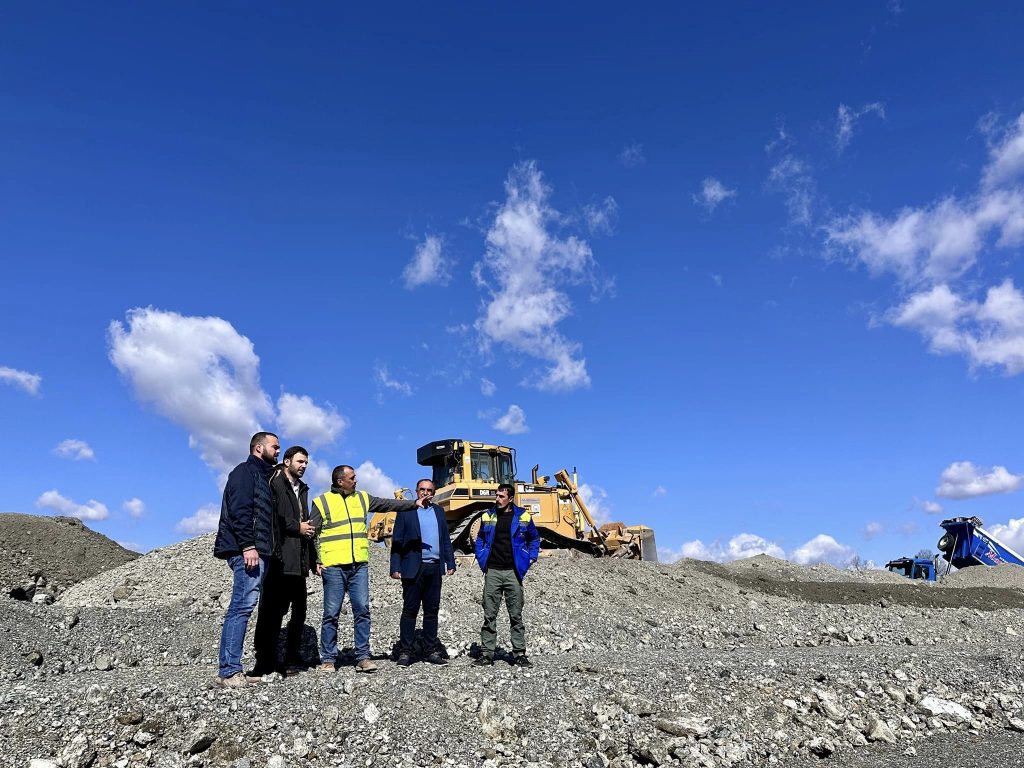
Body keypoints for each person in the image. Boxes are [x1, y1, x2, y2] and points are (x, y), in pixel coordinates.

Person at [311, 464, 424, 673]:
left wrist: (413, 504)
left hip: (359, 566)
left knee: (362, 610)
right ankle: (328, 659)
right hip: (333, 566)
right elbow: (312, 533)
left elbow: (386, 504)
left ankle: (363, 657)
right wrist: (315, 560)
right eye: (352, 478)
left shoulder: (362, 497)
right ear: (340, 481)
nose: (356, 480)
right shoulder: (322, 502)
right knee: (331, 613)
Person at [213, 431, 280, 687]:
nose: (278, 451)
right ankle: (230, 671)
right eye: (274, 447)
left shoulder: (263, 477)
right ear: (258, 448)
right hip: (248, 551)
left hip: (259, 550)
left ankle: (231, 669)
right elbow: (240, 511)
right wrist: (248, 545)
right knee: (241, 606)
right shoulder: (244, 472)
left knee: (244, 605)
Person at [251, 445, 315, 677]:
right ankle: (265, 661)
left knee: (299, 612)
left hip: (298, 560)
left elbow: (305, 525)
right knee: (271, 612)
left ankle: (291, 658)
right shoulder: (274, 482)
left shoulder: (302, 489)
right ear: (287, 462)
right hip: (278, 558)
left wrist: (313, 559)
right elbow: (272, 517)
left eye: (306, 463)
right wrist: (297, 527)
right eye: (300, 461)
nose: (303, 466)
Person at [389, 479, 457, 666]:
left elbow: (445, 539)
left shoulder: (439, 512)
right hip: (413, 568)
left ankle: (431, 650)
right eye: (422, 489)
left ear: (433, 493)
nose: (425, 493)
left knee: (431, 611)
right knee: (410, 611)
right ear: (417, 491)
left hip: (434, 568)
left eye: (429, 490)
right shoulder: (406, 511)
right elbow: (397, 540)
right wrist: (395, 567)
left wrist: (450, 562)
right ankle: (405, 652)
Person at [473, 483, 540, 667]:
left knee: (516, 615)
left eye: (501, 496)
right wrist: (480, 556)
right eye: (496, 495)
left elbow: (534, 538)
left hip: (513, 572)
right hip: (493, 571)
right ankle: (487, 654)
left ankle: (519, 654)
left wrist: (531, 557)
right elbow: (480, 538)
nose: (497, 499)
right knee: (489, 615)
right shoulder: (488, 515)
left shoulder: (523, 516)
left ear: (510, 498)